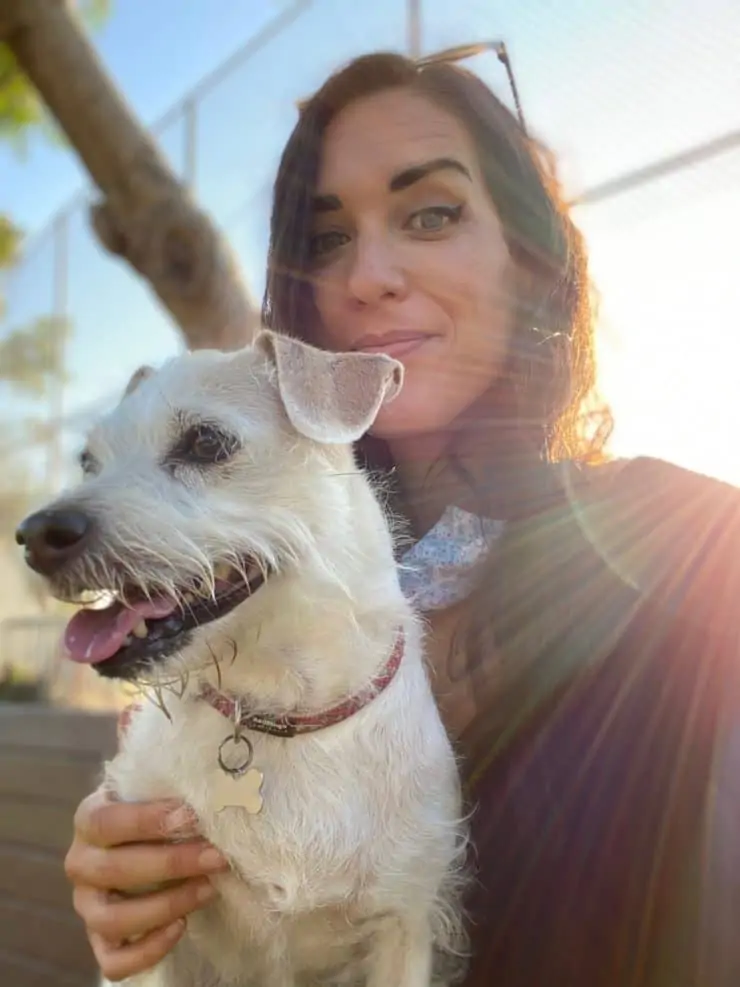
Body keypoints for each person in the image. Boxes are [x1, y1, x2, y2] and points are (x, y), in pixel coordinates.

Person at [64, 51, 740, 986]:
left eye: (431, 214)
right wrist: (138, 903)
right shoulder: (235, 601)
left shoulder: (693, 543)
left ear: (531, 257)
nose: (371, 274)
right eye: (326, 237)